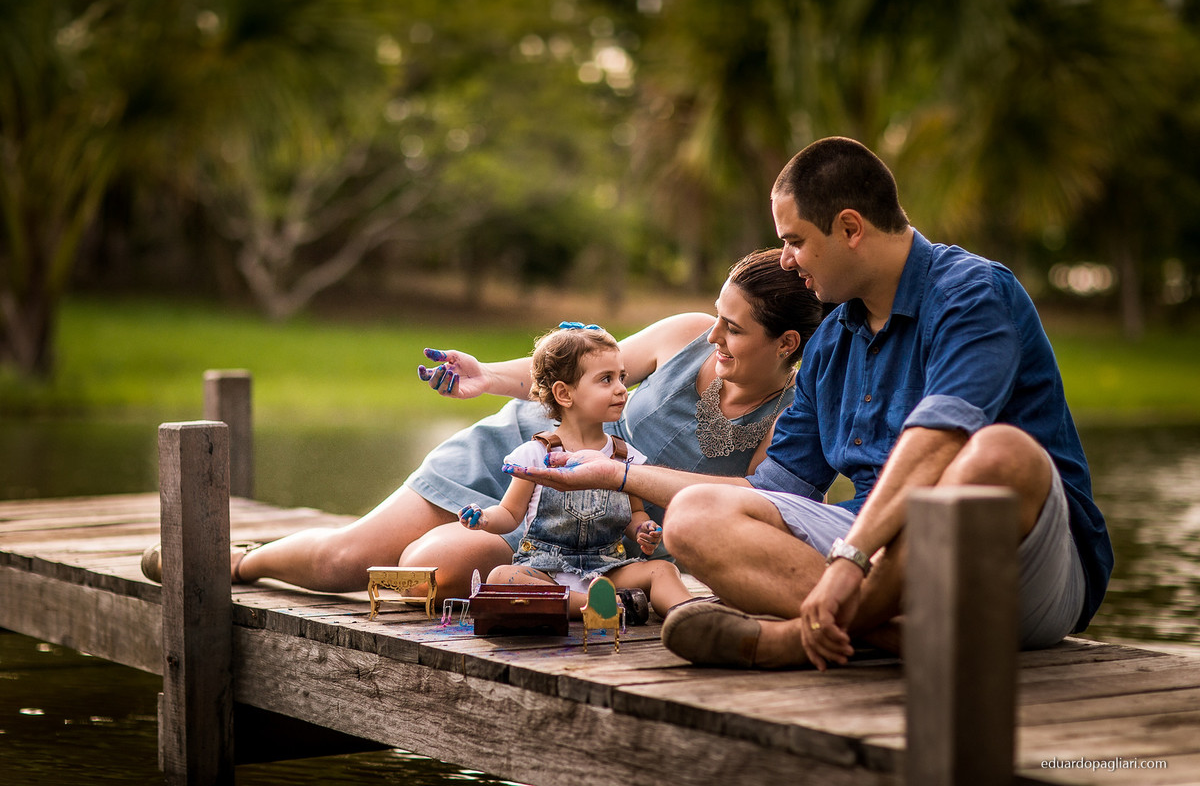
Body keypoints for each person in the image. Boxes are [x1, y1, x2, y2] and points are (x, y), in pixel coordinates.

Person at [505, 136, 1113, 670]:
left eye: (794, 240)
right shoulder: (831, 344)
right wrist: (620, 472)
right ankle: (892, 635)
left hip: (1017, 568)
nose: (787, 259)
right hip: (887, 559)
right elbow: (776, 491)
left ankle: (797, 640)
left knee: (999, 454)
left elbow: (941, 440)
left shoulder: (973, 294)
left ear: (850, 228)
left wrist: (849, 560)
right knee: (694, 514)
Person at [140, 249, 824, 602]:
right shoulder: (682, 337)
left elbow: (745, 512)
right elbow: (572, 371)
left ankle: (424, 561)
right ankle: (240, 561)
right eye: (716, 315)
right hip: (518, 456)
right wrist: (483, 377)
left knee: (422, 578)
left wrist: (625, 481)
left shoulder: (788, 422)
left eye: (733, 329)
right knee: (346, 562)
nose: (714, 336)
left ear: (786, 343)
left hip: (587, 536)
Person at [458, 324, 692, 619]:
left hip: (608, 570)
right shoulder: (536, 455)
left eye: (622, 377)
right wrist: (484, 519)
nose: (621, 388)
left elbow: (635, 515)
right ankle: (594, 606)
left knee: (663, 569)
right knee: (503, 577)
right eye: (606, 379)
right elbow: (510, 514)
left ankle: (686, 614)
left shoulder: (625, 457)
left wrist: (643, 530)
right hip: (547, 571)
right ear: (564, 394)